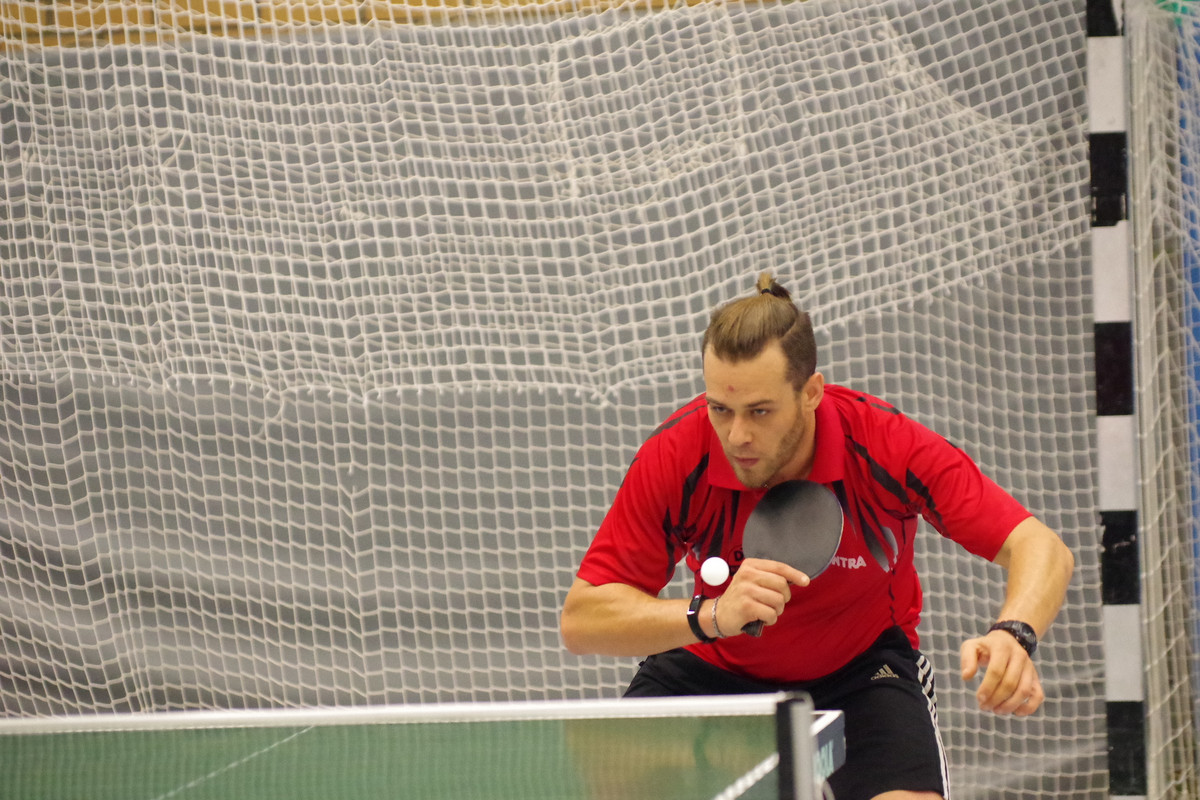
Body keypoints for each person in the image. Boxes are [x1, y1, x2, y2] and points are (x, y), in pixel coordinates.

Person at [560, 272, 1075, 800]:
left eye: (760, 411)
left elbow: (1040, 546)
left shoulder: (883, 445)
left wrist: (1014, 633)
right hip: (709, 668)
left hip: (861, 675)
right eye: (720, 409)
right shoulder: (677, 455)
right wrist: (711, 615)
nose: (737, 435)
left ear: (811, 392)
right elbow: (582, 619)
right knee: (612, 778)